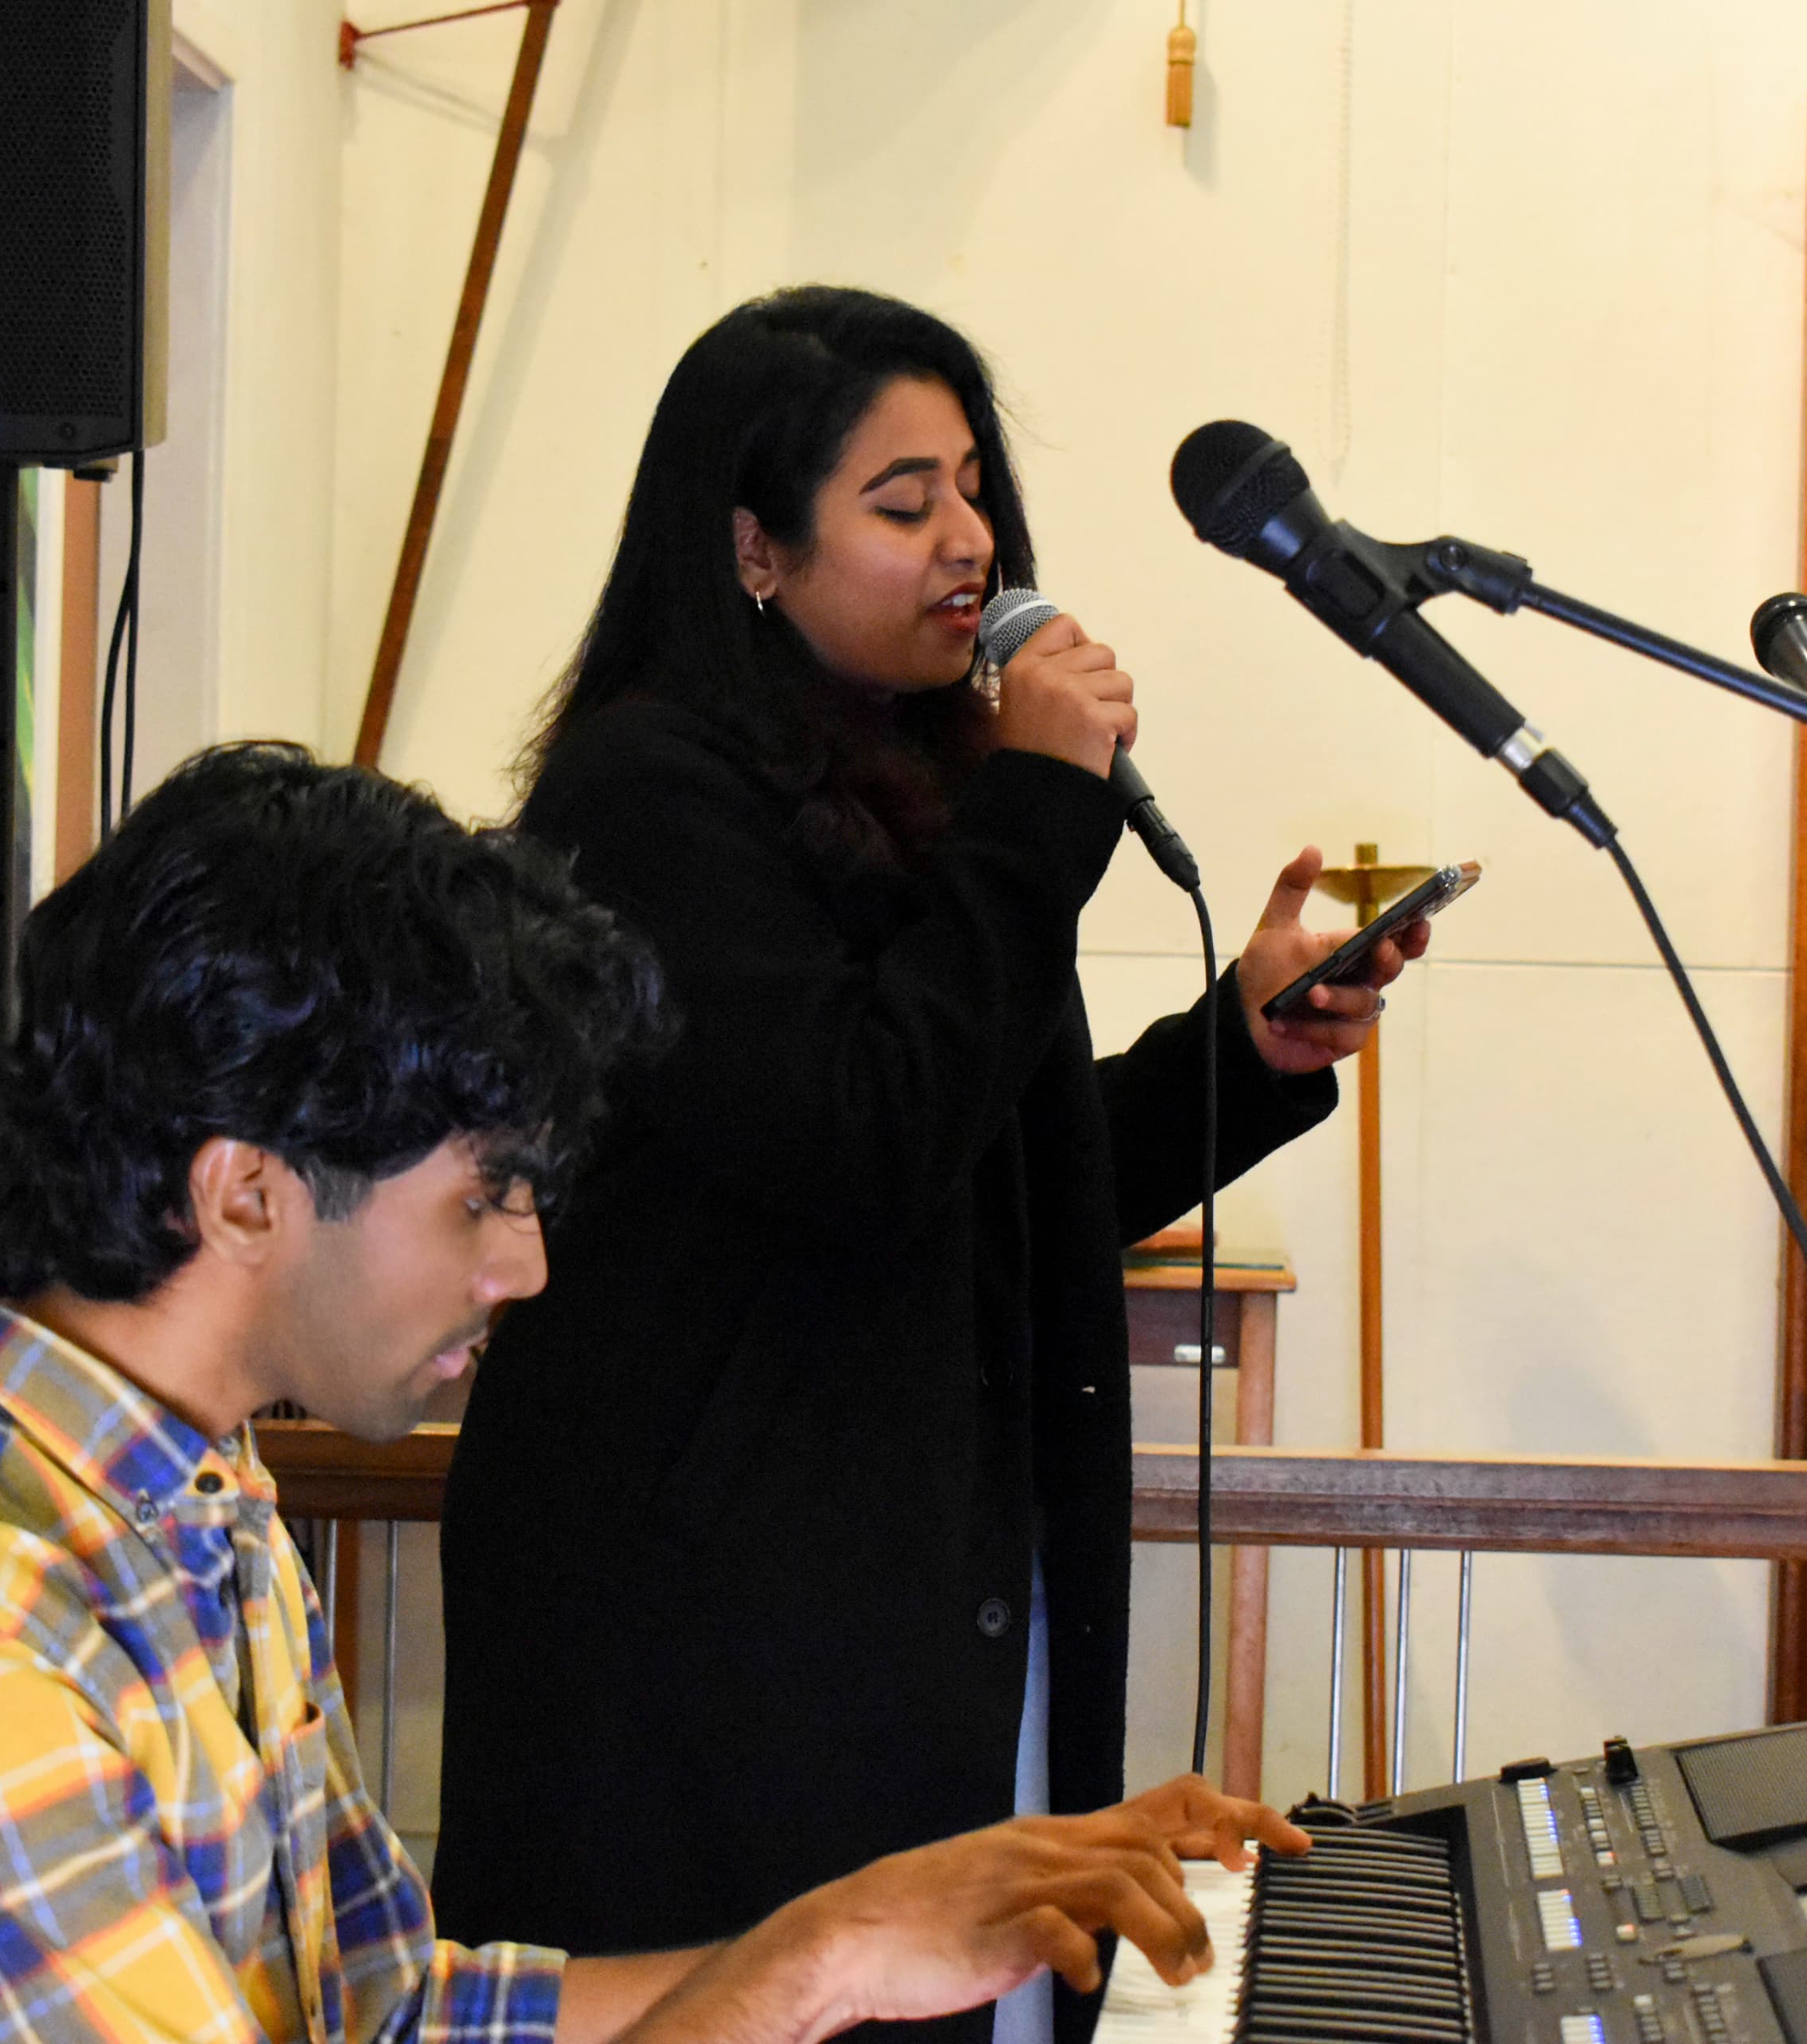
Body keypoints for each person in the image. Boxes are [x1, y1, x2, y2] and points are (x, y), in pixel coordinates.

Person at [0, 743, 1306, 2044]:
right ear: (249, 1192)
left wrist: (864, 1913)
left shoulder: (184, 1489)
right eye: (481, 1196)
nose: (527, 1266)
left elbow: (392, 2004)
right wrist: (810, 1968)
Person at [436, 288, 1411, 2040]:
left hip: (894, 1600)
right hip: (706, 1648)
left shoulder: (923, 778)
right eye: (903, 503)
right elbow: (861, 1137)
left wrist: (1241, 1048)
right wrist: (1045, 810)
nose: (972, 541)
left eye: (973, 487)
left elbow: (995, 1179)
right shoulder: (648, 793)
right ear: (753, 545)